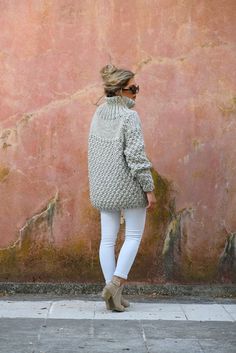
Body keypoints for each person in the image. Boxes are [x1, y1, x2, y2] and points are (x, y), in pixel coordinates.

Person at [88, 64, 157, 311]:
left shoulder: (98, 114)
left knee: (107, 240)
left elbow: (93, 154)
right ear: (119, 91)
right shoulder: (130, 117)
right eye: (133, 89)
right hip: (128, 186)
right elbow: (136, 156)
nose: (136, 93)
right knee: (133, 236)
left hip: (104, 187)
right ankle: (116, 284)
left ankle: (112, 294)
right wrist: (149, 188)